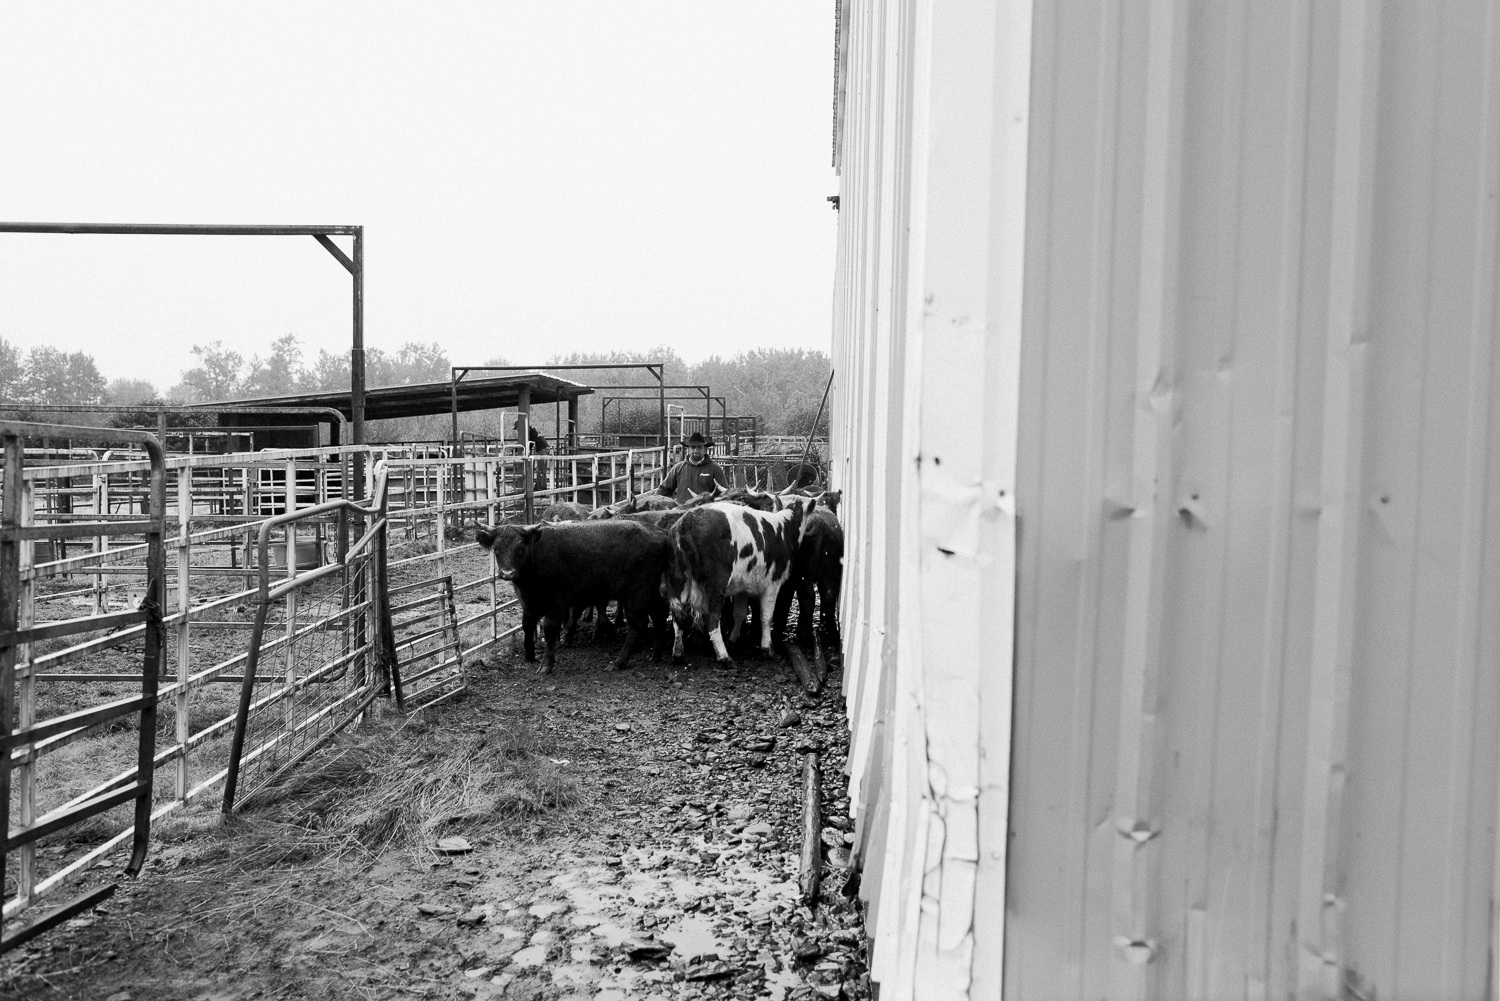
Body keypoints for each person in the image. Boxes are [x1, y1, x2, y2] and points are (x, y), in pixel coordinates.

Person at [657, 431, 728, 503]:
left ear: (704, 449)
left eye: (699, 447)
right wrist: (652, 501)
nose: (696, 450)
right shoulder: (678, 468)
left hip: (705, 511)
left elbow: (723, 494)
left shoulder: (715, 469)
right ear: (688, 449)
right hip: (682, 511)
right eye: (693, 447)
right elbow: (664, 490)